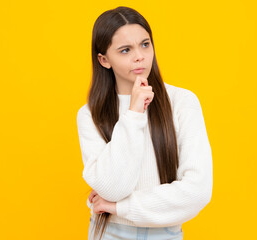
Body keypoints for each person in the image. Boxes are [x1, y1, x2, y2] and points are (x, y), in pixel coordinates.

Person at [76, 6, 213, 240]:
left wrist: (119, 207)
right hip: (108, 233)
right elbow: (113, 187)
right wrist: (134, 114)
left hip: (165, 234)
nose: (139, 56)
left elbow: (197, 192)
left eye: (145, 44)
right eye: (125, 50)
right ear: (104, 59)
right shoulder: (90, 114)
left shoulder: (182, 102)